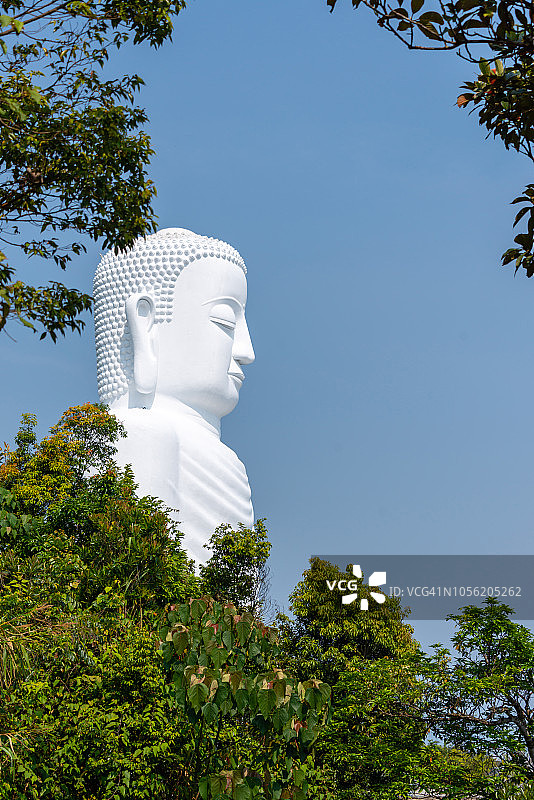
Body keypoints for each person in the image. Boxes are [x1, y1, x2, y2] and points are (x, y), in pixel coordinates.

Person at [93, 227, 255, 563]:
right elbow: (138, 584)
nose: (246, 351)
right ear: (146, 325)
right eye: (225, 320)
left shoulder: (228, 463)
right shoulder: (136, 432)